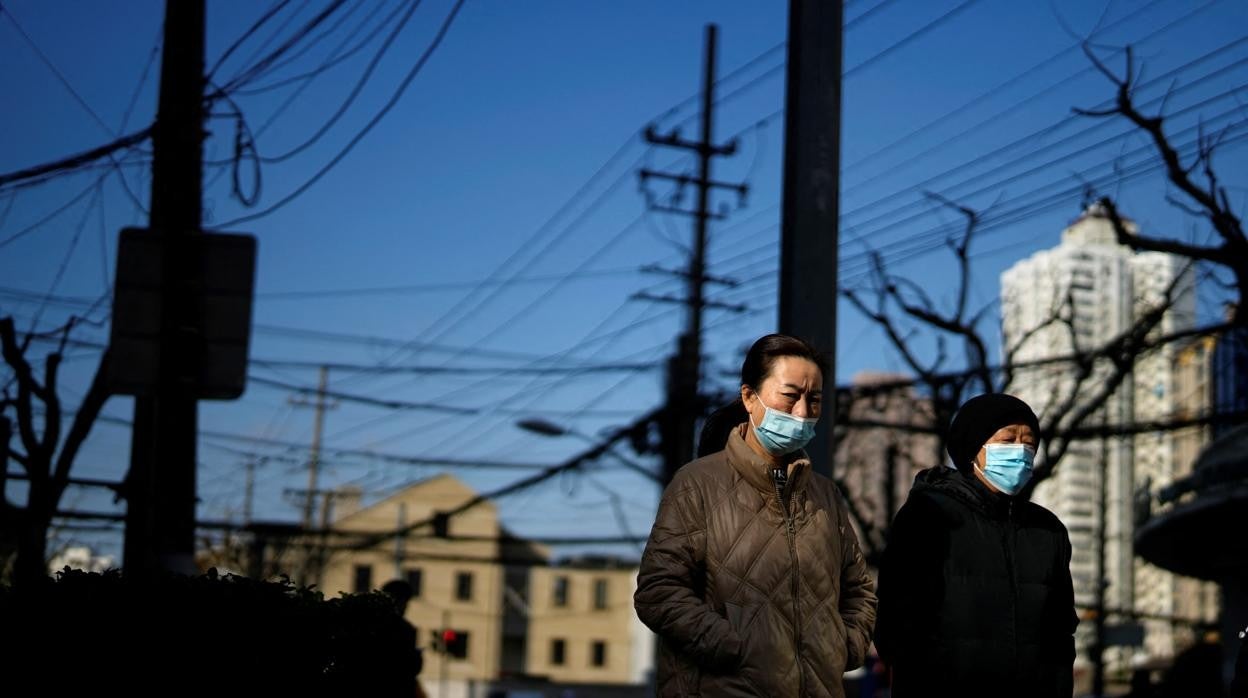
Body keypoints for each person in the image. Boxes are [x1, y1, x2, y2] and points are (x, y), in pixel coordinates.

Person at [634, 333, 877, 697]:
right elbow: (659, 590)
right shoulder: (697, 484)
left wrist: (844, 645)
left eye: (814, 400)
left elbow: (859, 588)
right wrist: (731, 645)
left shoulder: (825, 493)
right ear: (750, 396)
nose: (802, 412)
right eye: (790, 396)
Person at [874, 393, 1077, 697]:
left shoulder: (1048, 531)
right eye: (1007, 440)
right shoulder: (929, 516)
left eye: (1029, 443)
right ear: (973, 449)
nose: (1020, 451)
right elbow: (895, 625)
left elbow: (1060, 634)